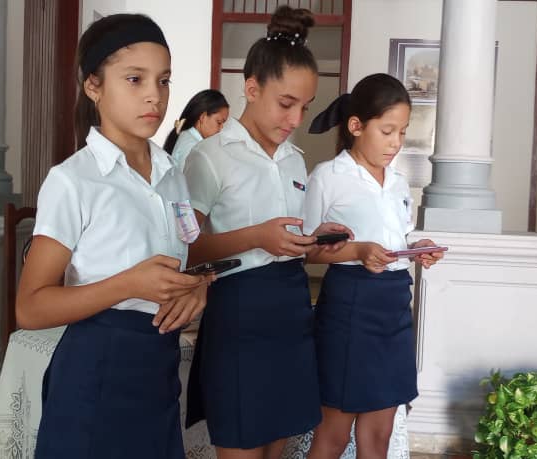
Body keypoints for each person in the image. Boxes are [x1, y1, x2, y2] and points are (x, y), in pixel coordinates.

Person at [18, 14, 211, 458]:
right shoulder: (74, 181)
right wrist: (128, 284)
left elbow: (189, 255)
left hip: (158, 367)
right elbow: (30, 307)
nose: (154, 95)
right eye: (134, 79)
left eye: (163, 80)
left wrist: (199, 284)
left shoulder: (172, 175)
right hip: (96, 368)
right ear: (94, 86)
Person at [182, 6, 351, 459]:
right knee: (241, 443)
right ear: (252, 88)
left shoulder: (295, 160)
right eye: (286, 103)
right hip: (238, 314)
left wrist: (317, 237)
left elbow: (290, 239)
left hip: (292, 311)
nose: (295, 119)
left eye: (305, 107)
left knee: (278, 444)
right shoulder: (211, 156)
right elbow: (185, 249)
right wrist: (256, 237)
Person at [302, 73, 443, 459]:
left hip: (394, 306)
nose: (396, 142)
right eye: (387, 131)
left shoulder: (398, 181)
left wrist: (418, 247)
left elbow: (398, 237)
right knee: (333, 436)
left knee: (379, 436)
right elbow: (305, 251)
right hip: (350, 307)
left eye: (403, 132)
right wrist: (357, 251)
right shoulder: (328, 177)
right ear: (356, 126)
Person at [163, 89, 230, 168]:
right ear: (203, 117)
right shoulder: (192, 148)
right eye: (219, 122)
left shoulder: (190, 139)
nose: (221, 128)